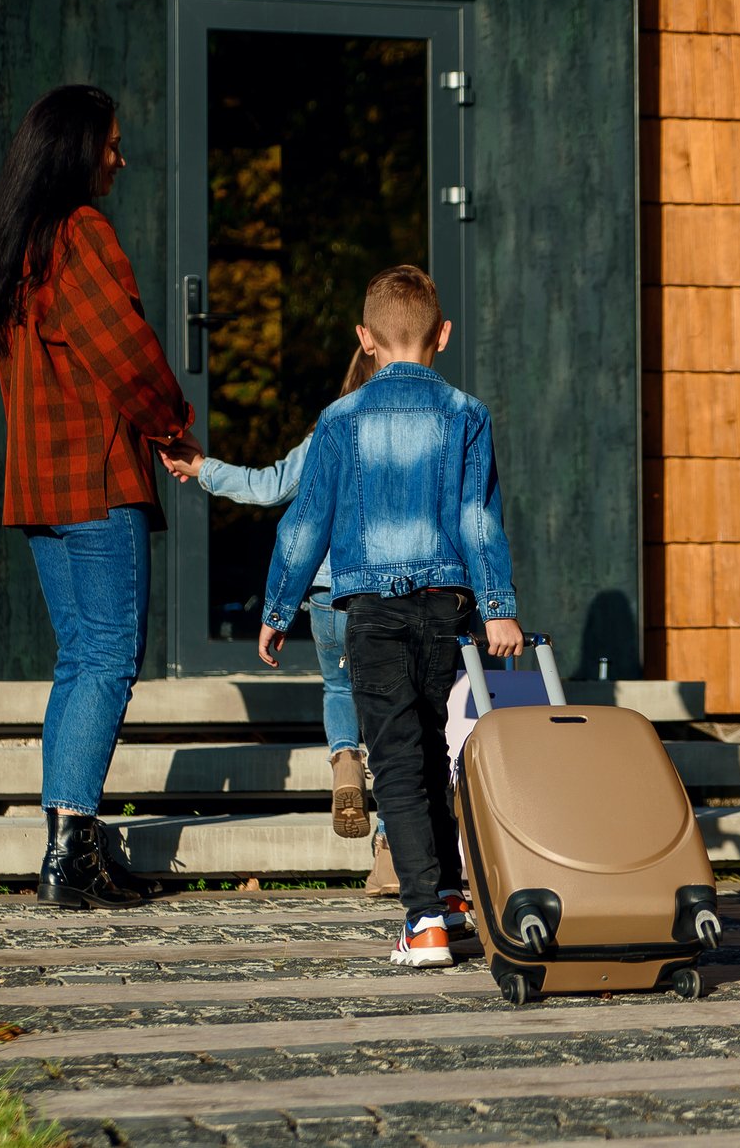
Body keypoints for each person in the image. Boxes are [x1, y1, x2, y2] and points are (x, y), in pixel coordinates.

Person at [0, 84, 192, 911]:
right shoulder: (79, 235)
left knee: (79, 658)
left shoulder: (18, 247)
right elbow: (124, 349)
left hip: (39, 486)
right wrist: (173, 425)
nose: (120, 159)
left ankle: (68, 848)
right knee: (106, 659)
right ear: (77, 149)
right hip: (94, 479)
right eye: (112, 145)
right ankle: (71, 856)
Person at [256, 265, 524, 968]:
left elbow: (304, 522)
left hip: (371, 614)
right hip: (446, 608)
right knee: (442, 755)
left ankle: (424, 920)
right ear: (442, 333)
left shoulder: (338, 421)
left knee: (397, 763)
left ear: (364, 339)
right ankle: (455, 898)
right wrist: (498, 608)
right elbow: (477, 518)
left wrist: (278, 606)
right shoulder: (467, 413)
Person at [161, 350, 388, 849]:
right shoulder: (416, 434)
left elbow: (269, 487)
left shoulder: (327, 432)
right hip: (387, 595)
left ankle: (346, 757)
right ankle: (391, 844)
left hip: (330, 595)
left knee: (338, 689)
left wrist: (202, 468)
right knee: (394, 713)